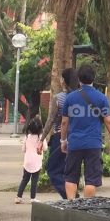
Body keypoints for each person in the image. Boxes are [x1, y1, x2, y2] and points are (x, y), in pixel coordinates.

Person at [60, 65, 110, 200]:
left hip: (74, 143)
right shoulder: (101, 98)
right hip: (93, 144)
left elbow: (64, 122)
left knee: (71, 177)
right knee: (91, 179)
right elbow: (109, 121)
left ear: (78, 79)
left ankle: (71, 206)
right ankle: (86, 208)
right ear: (94, 78)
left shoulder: (70, 98)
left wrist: (63, 140)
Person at [39, 67, 77, 195]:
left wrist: (41, 139)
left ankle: (70, 197)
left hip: (60, 137)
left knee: (53, 170)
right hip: (77, 136)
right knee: (70, 171)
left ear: (63, 81)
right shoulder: (79, 97)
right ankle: (73, 196)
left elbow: (51, 120)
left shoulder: (58, 98)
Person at [16, 116, 43, 203]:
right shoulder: (41, 138)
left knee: (25, 179)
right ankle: (32, 198)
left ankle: (18, 197)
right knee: (34, 180)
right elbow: (45, 148)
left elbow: (23, 149)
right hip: (37, 162)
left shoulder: (27, 137)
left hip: (27, 162)